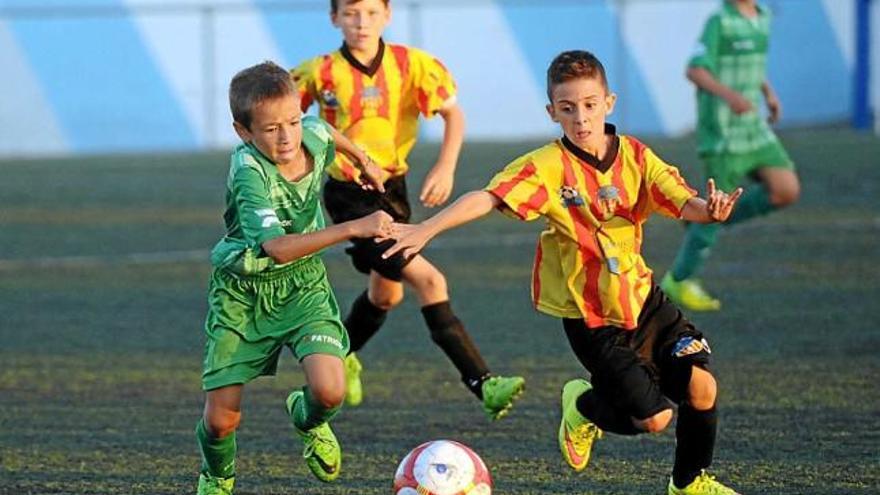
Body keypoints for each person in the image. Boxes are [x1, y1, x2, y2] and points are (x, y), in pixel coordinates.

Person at [383, 50, 745, 495]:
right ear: (552, 112)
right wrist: (427, 228)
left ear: (608, 103)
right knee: (654, 419)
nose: (581, 118)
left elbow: (683, 200)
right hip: (593, 320)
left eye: (590, 105)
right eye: (568, 108)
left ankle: (688, 483)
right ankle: (584, 406)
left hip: (645, 302)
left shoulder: (635, 156)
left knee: (702, 388)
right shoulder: (548, 166)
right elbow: (490, 197)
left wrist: (710, 211)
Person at [290, 0, 524, 419]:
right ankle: (483, 382)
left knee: (386, 294)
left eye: (370, 13)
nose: (361, 22)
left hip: (394, 191)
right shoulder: (317, 72)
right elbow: (289, 121)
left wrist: (446, 165)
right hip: (350, 198)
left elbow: (453, 114)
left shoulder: (412, 64)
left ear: (387, 15)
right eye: (350, 13)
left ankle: (340, 354)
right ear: (334, 18)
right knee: (431, 281)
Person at [195, 61, 390, 494]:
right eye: (269, 129)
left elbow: (325, 131)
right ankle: (218, 474)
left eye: (291, 122)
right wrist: (353, 227)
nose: (286, 138)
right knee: (221, 420)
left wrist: (364, 160)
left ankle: (307, 420)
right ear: (244, 132)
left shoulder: (311, 133)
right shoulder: (249, 173)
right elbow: (278, 249)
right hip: (243, 294)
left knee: (329, 392)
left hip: (303, 286)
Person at [660, 0, 799, 311]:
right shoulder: (719, 21)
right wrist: (731, 97)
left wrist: (768, 93)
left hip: (753, 128)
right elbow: (695, 70)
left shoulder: (762, 17)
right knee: (716, 202)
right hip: (723, 132)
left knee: (785, 190)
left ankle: (704, 220)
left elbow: (752, 64)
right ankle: (679, 279)